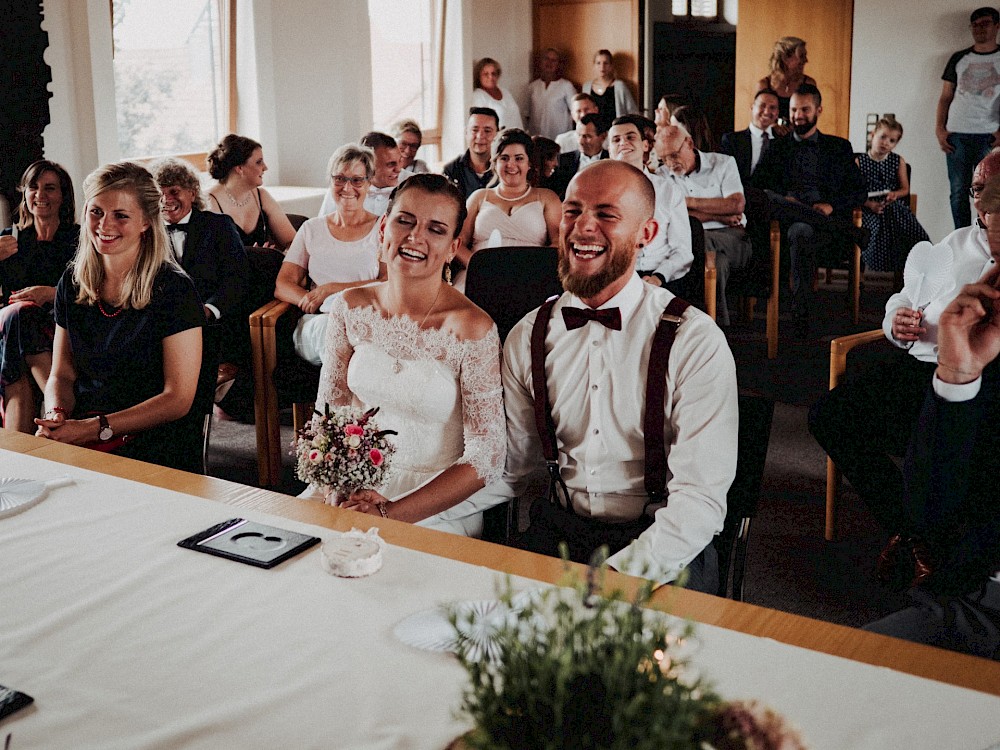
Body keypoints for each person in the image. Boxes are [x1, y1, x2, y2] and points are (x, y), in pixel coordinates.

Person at [474, 159, 737, 589]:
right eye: (573, 211)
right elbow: (511, 469)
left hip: (662, 542)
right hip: (560, 533)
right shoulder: (528, 334)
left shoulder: (695, 340)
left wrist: (615, 578)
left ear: (646, 235)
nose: (582, 227)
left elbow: (700, 500)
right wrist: (411, 512)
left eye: (606, 215)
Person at [809, 149, 1000, 581]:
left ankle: (941, 544)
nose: (981, 203)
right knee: (830, 415)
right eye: (976, 190)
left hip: (983, 385)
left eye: (992, 193)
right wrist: (895, 320)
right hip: (919, 371)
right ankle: (913, 532)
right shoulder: (955, 244)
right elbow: (908, 293)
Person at [311, 173, 506, 537]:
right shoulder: (351, 307)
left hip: (434, 503)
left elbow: (486, 457)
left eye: (436, 229)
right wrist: (336, 487)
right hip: (353, 486)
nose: (415, 237)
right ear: (384, 227)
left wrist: (389, 514)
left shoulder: (472, 328)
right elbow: (330, 411)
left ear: (452, 247)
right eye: (405, 221)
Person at [863, 257, 1000, 660]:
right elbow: (928, 516)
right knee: (834, 671)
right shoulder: (987, 355)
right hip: (974, 601)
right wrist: (958, 377)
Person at [34, 162, 206, 473]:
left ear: (145, 222)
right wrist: (57, 413)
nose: (104, 225)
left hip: (153, 439)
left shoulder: (174, 289)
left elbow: (177, 399)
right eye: (96, 211)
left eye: (120, 215)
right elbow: (62, 374)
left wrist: (93, 428)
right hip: (87, 428)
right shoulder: (73, 282)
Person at [755, 84, 867, 336]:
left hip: (825, 230)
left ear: (819, 110)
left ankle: (801, 311)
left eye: (805, 109)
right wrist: (786, 200)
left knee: (802, 229)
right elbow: (757, 188)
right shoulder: (777, 147)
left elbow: (859, 192)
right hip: (783, 225)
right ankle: (800, 310)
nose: (798, 115)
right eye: (794, 109)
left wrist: (831, 206)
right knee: (788, 216)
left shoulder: (838, 147)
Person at [276, 144, 386, 366]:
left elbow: (388, 282)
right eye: (340, 179)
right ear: (331, 181)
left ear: (369, 183)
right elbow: (283, 284)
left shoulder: (383, 228)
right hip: (318, 324)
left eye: (357, 180)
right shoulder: (311, 229)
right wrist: (312, 302)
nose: (347, 187)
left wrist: (331, 289)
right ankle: (340, 400)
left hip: (367, 320)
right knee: (333, 331)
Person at [151, 158, 249, 390]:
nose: (166, 200)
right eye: (159, 194)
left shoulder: (219, 226)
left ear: (192, 193)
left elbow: (238, 278)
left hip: (214, 320)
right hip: (166, 322)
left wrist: (209, 309)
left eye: (174, 191)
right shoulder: (147, 234)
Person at [0, 160, 79, 433]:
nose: (40, 195)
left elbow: (95, 290)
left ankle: (16, 451)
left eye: (50, 188)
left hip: (62, 326)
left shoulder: (79, 240)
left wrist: (52, 294)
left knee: (21, 323)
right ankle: (60, 412)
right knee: (20, 314)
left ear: (63, 195)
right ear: (25, 193)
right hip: (11, 324)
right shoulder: (8, 240)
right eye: (34, 187)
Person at [656, 123, 751, 326]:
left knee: (691, 244)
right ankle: (717, 326)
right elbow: (673, 217)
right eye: (663, 158)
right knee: (716, 265)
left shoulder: (723, 163)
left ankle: (687, 319)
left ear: (689, 143)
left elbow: (736, 204)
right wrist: (719, 214)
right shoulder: (663, 175)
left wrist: (685, 203)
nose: (669, 164)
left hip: (733, 236)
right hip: (698, 239)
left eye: (673, 155)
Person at [456, 129, 562, 287]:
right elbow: (458, 242)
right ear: (495, 162)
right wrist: (479, 268)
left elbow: (559, 243)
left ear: (529, 164)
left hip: (530, 278)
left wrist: (528, 270)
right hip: (480, 276)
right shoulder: (479, 197)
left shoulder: (547, 197)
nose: (511, 165)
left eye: (519, 158)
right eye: (504, 158)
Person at [608, 115, 692, 286]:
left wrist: (658, 278)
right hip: (614, 277)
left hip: (660, 277)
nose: (623, 143)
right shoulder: (600, 191)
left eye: (630, 137)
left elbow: (682, 251)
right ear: (610, 150)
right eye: (616, 140)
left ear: (645, 145)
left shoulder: (669, 190)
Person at [936, 6, 1000, 229]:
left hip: (989, 136)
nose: (979, 29)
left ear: (997, 26)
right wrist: (940, 129)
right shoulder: (959, 58)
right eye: (975, 25)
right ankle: (962, 237)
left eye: (985, 24)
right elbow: (945, 96)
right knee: (958, 192)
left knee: (989, 193)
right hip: (957, 134)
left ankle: (987, 239)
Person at [856, 116, 930, 283]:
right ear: (873, 135)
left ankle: (914, 269)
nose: (886, 143)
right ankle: (867, 268)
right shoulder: (860, 161)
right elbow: (853, 192)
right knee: (874, 227)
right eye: (882, 137)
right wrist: (870, 204)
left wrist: (894, 194)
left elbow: (905, 189)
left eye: (892, 140)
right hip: (868, 206)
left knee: (905, 225)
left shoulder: (898, 161)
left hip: (892, 205)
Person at [206, 134, 297, 249]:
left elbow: (293, 242)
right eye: (259, 162)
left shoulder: (262, 196)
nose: (265, 167)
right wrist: (252, 256)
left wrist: (281, 254)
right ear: (239, 168)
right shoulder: (210, 203)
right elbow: (210, 258)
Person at [318, 132, 406, 218]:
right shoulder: (341, 189)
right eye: (390, 164)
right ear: (370, 165)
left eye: (400, 160)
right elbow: (322, 226)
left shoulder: (411, 185)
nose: (398, 169)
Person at [720, 88, 781, 186]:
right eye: (762, 105)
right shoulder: (731, 140)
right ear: (752, 107)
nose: (766, 112)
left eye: (772, 108)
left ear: (777, 113)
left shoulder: (783, 143)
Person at [442, 108, 500, 200]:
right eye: (475, 130)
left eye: (487, 131)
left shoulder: (506, 168)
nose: (480, 136)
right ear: (466, 133)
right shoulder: (452, 170)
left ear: (497, 134)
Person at [757, 36, 816, 123]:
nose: (806, 60)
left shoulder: (808, 83)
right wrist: (773, 126)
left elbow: (811, 115)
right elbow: (759, 116)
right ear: (785, 58)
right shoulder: (764, 84)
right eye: (801, 56)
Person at [550, 113, 609, 198]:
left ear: (603, 136)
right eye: (579, 135)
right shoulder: (562, 161)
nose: (580, 141)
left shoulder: (612, 161)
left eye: (587, 136)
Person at [525, 47, 577, 140]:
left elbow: (576, 112)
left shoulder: (566, 86)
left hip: (559, 138)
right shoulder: (533, 86)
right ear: (541, 62)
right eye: (546, 59)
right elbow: (527, 114)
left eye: (554, 60)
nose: (549, 63)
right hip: (536, 138)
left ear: (558, 64)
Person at [583, 49, 639, 134]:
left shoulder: (619, 86)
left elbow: (633, 112)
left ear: (611, 65)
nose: (602, 67)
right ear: (594, 65)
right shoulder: (587, 87)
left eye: (606, 63)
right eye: (598, 63)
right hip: (594, 135)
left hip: (615, 134)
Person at [471, 57, 523, 131]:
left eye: (493, 73)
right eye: (486, 74)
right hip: (497, 141)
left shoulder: (505, 92)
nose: (491, 77)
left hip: (516, 138)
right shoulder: (478, 96)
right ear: (479, 77)